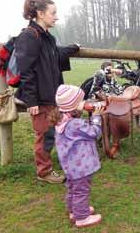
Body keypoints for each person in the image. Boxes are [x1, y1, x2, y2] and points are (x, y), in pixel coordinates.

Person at [14, 0, 80, 183]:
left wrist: (74, 48)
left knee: (53, 131)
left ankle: (51, 166)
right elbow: (25, 70)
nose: (56, 17)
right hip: (40, 98)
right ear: (40, 14)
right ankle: (44, 172)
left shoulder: (47, 37)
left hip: (51, 95)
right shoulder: (29, 36)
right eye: (53, 13)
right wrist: (31, 101)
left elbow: (57, 54)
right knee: (43, 134)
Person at [51, 84, 103, 228]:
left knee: (73, 188)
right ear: (73, 106)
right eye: (81, 101)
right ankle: (82, 218)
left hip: (70, 165)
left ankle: (74, 210)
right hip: (81, 167)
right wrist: (97, 117)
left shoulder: (62, 119)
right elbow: (94, 133)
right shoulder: (75, 124)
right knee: (81, 191)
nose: (84, 102)